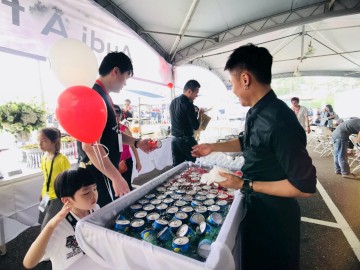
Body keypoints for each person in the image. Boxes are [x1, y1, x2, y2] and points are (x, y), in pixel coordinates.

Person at [192, 44, 317, 270]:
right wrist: (212, 146)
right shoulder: (256, 112)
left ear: (245, 79)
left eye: (232, 83)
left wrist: (245, 184)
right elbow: (247, 141)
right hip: (258, 210)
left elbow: (305, 186)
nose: (233, 89)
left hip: (275, 220)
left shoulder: (279, 120)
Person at [78, 52, 152, 207]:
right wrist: (116, 177)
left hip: (107, 171)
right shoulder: (94, 98)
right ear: (115, 71)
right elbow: (90, 146)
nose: (125, 83)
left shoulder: (105, 97)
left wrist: (137, 143)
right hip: (100, 174)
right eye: (126, 76)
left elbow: (113, 133)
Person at [23, 168, 107, 270]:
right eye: (86, 193)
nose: (94, 195)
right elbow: (29, 262)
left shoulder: (95, 209)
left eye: (94, 188)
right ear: (67, 200)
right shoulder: (59, 227)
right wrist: (50, 225)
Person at [37, 127, 70, 230]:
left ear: (54, 141)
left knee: (46, 227)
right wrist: (42, 193)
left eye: (43, 141)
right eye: (38, 141)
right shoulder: (43, 158)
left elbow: (67, 180)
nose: (39, 144)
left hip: (57, 197)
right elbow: (46, 178)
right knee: (42, 221)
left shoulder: (62, 159)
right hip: (46, 196)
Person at [169, 79, 204, 166]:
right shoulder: (188, 104)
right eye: (196, 93)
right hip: (186, 141)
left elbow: (180, 119)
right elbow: (195, 126)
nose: (196, 96)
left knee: (176, 168)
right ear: (189, 91)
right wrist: (200, 115)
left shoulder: (173, 102)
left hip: (174, 141)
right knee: (192, 166)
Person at [114, 104, 142, 190]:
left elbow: (133, 146)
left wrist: (138, 161)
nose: (117, 118)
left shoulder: (124, 129)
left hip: (126, 161)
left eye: (118, 116)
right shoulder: (107, 131)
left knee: (127, 186)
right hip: (114, 164)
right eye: (114, 116)